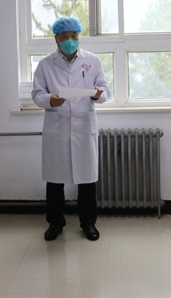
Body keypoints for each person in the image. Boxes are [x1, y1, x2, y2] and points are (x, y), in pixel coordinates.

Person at [32, 16, 109, 242]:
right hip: (57, 128)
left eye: (74, 35)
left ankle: (88, 223)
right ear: (56, 39)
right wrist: (50, 100)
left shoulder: (92, 61)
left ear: (78, 36)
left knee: (87, 179)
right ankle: (55, 223)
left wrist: (98, 94)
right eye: (65, 36)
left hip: (84, 127)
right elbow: (37, 94)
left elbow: (105, 90)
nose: (70, 40)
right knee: (55, 180)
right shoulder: (45, 64)